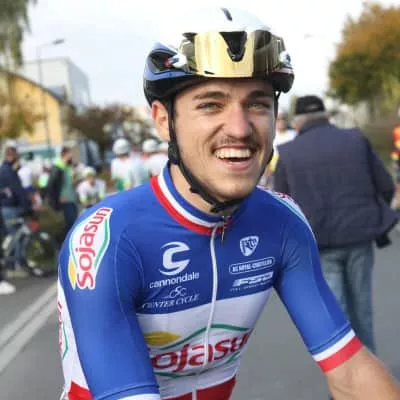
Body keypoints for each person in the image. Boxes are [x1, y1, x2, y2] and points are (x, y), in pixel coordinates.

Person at [57, 8, 400, 400]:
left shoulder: (282, 222)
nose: (239, 128)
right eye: (211, 104)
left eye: (257, 104)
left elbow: (351, 373)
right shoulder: (110, 241)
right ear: (164, 120)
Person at [274, 95, 399, 354]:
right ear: (326, 115)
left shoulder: (288, 153)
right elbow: (386, 185)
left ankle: (347, 373)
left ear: (297, 121)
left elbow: (282, 205)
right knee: (362, 307)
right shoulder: (355, 139)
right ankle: (370, 370)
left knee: (336, 311)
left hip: (320, 242)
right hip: (360, 235)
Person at [0, 141, 32, 292]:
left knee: (12, 236)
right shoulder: (9, 172)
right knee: (16, 236)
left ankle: (11, 264)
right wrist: (27, 208)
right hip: (11, 207)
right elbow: (19, 191)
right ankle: (15, 266)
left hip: (6, 207)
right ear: (12, 156)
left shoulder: (4, 170)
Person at [47, 145, 79, 237]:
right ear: (65, 154)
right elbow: (52, 185)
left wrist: (75, 180)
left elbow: (70, 182)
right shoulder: (58, 167)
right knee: (71, 223)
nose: (72, 155)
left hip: (72, 198)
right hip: (65, 199)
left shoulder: (68, 166)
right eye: (70, 153)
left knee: (74, 221)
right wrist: (57, 198)